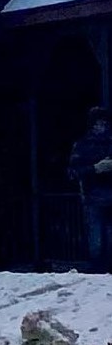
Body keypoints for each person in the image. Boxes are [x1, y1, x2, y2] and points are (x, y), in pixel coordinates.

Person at [68, 106, 112, 272]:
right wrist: (95, 168)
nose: (102, 126)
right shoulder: (83, 145)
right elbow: (72, 172)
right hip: (94, 198)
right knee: (97, 240)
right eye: (99, 123)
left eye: (105, 123)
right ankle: (97, 271)